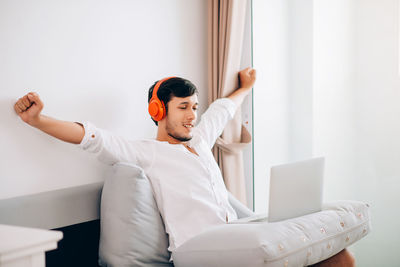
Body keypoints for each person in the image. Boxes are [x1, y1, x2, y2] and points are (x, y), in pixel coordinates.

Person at [14, 67, 354, 266]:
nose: (192, 115)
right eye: (183, 107)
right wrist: (37, 120)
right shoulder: (146, 153)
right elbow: (92, 137)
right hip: (200, 250)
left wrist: (246, 88)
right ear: (159, 111)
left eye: (194, 106)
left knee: (339, 258)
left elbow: (222, 110)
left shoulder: (201, 140)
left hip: (237, 237)